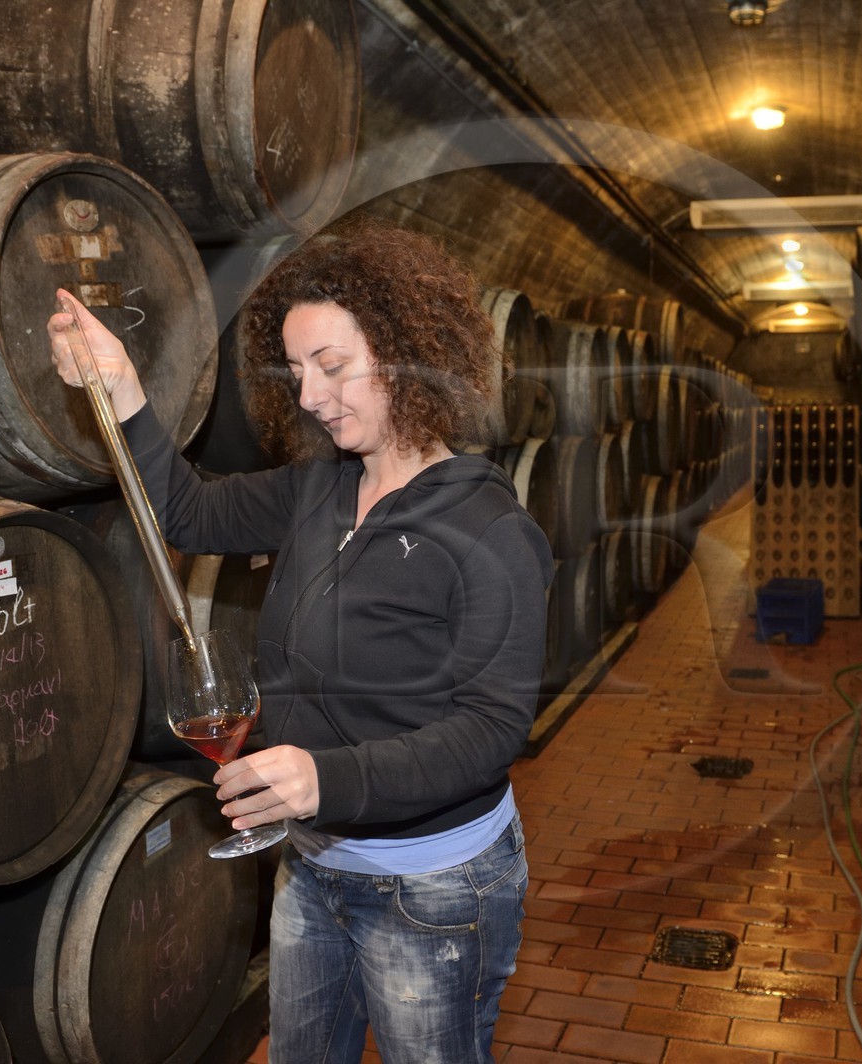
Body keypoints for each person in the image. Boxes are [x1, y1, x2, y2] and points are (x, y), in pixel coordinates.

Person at [47, 220, 554, 1063]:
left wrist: (327, 776)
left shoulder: (487, 525)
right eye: (295, 371)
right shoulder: (321, 487)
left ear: (405, 354)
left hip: (432, 886)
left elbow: (493, 728)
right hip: (315, 866)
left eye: (332, 366)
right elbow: (187, 512)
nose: (310, 395)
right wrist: (122, 390)